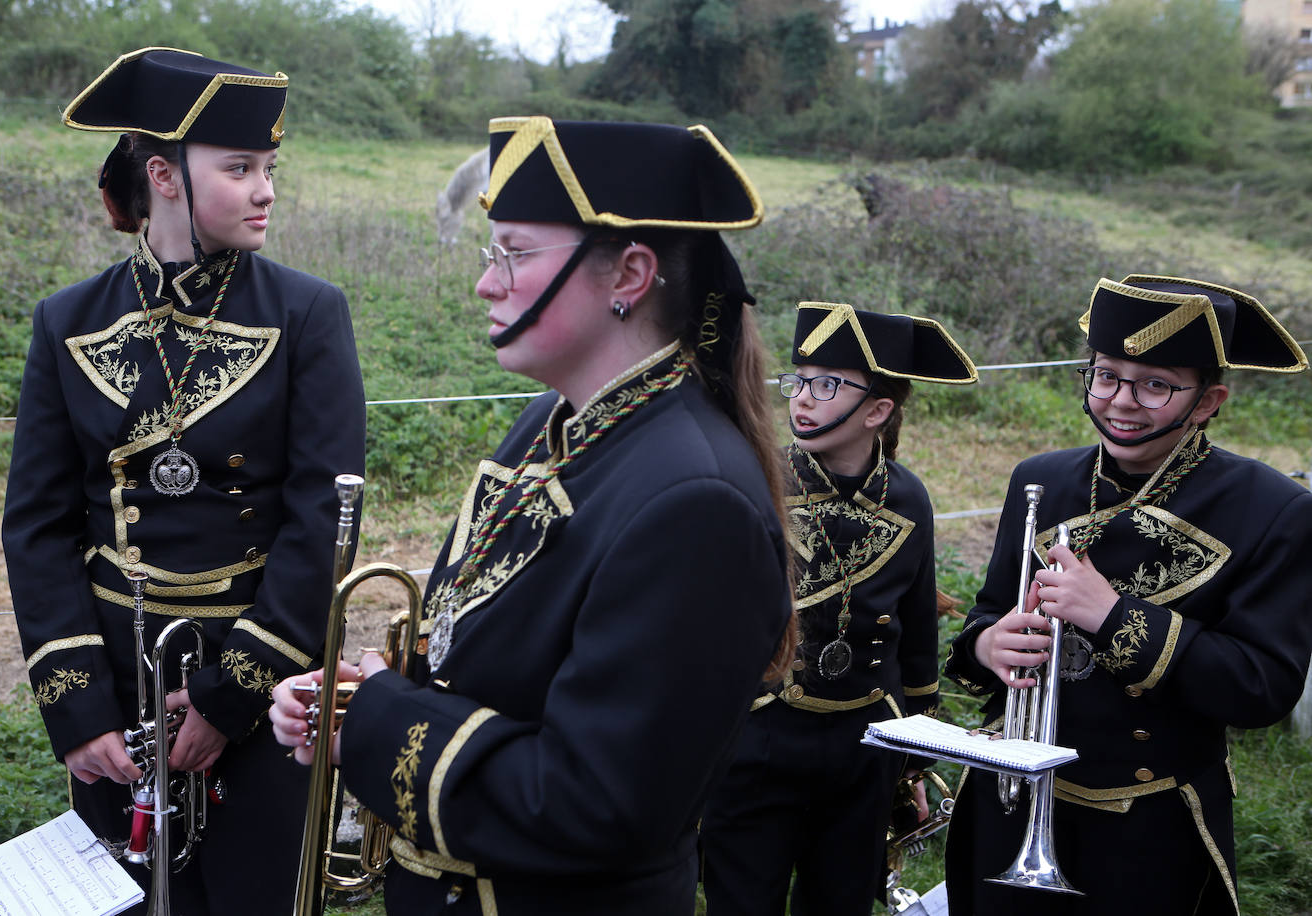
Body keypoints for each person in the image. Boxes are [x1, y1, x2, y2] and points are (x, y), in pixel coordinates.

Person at [269, 115, 795, 915]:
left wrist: (378, 724)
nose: (487, 283)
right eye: (493, 253)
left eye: (514, 254)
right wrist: (357, 698)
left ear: (629, 275)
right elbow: (485, 666)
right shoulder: (551, 424)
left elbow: (596, 804)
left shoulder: (699, 502)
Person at [1, 47, 365, 914]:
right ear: (164, 176)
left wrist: (226, 698)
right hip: (117, 682)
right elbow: (38, 527)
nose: (265, 191)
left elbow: (322, 521)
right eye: (239, 169)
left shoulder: (309, 314)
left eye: (269, 169)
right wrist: (79, 711)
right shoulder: (66, 322)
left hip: (263, 679)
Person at [942, 275, 1312, 915]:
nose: (1121, 401)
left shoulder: (1275, 509)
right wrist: (986, 645)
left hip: (1149, 826)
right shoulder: (1039, 478)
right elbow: (988, 611)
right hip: (1012, 802)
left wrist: (1113, 616)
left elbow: (1262, 687)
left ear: (1208, 400)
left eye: (1155, 385)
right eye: (1106, 376)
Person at [699, 303, 978, 916]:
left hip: (863, 747)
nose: (802, 399)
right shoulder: (755, 478)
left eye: (826, 385)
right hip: (759, 738)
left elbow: (915, 639)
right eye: (798, 381)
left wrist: (913, 761)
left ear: (877, 411)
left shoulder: (908, 498)